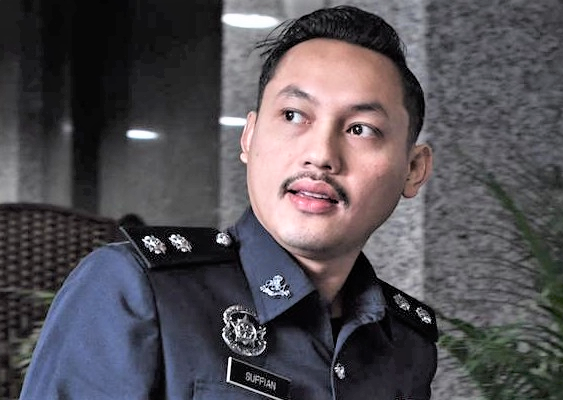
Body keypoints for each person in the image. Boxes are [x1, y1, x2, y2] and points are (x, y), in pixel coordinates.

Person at [20, 5, 436, 400]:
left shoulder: (407, 344)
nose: (321, 154)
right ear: (249, 137)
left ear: (413, 169)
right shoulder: (137, 291)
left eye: (360, 129)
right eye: (293, 115)